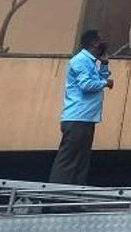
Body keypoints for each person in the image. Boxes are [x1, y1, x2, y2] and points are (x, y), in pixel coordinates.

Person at [49, 29, 114, 185]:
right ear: (94, 43)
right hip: (77, 117)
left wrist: (104, 64)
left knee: (81, 161)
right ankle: (55, 199)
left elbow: (97, 78)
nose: (104, 42)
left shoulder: (90, 62)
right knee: (68, 161)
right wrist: (106, 83)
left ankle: (74, 200)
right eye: (101, 39)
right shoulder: (80, 61)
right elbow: (86, 85)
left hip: (86, 118)